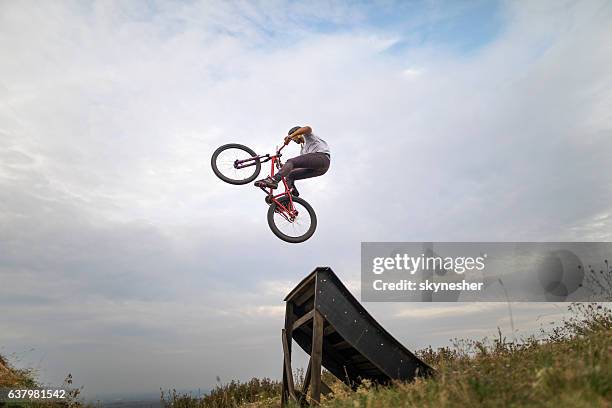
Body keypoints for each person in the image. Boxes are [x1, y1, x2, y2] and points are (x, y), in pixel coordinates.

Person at [255, 126, 330, 197]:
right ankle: (289, 199)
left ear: (298, 134)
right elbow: (296, 166)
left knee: (291, 161)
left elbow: (308, 128)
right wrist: (282, 165)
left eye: (293, 139)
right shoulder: (303, 150)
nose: (293, 141)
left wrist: (290, 136)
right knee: (290, 175)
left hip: (322, 158)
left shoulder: (308, 136)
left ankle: (274, 180)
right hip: (319, 170)